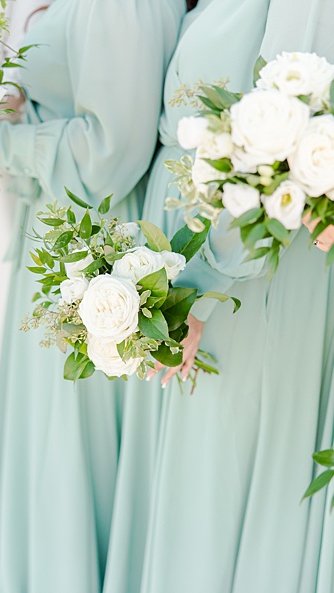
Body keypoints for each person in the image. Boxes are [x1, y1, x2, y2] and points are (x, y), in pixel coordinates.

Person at [0, 1, 185, 591]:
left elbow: (114, 151)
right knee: (49, 431)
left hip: (91, 244)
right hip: (61, 233)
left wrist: (3, 147)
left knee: (70, 435)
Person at [114, 1, 334, 590]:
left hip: (253, 264)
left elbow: (281, 146)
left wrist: (200, 295)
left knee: (215, 479)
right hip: (215, 247)